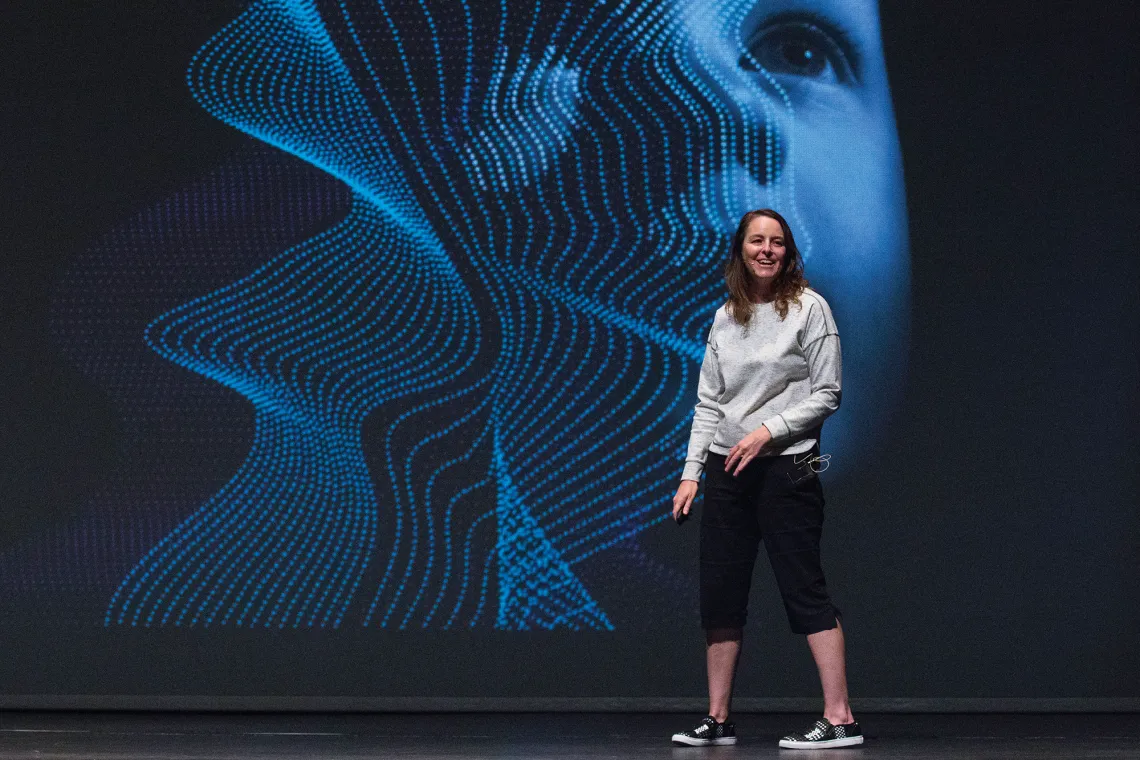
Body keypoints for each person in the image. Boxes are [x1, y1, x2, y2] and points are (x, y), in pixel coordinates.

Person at [670, 208, 862, 749]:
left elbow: (829, 393)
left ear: (789, 252)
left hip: (789, 465)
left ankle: (840, 717)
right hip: (727, 468)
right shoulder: (725, 317)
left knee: (803, 588)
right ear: (741, 250)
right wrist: (690, 475)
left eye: (777, 242)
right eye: (757, 240)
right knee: (721, 595)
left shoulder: (809, 309)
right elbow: (709, 402)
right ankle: (718, 717)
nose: (767, 250)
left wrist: (766, 432)